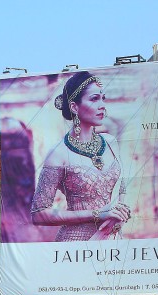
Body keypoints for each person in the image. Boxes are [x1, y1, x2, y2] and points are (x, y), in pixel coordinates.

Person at [31, 71, 131, 241]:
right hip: (76, 244)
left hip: (112, 241)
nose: (102, 105)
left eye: (103, 98)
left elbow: (121, 186)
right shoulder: (58, 154)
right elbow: (39, 214)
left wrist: (121, 211)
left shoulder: (111, 143)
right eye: (94, 99)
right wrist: (97, 214)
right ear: (74, 107)